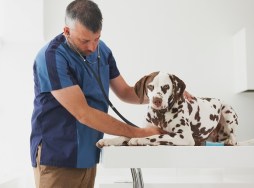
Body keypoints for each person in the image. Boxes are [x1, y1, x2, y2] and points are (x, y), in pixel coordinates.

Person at [30, 0, 192, 187]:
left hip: (88, 156)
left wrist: (165, 95)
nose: (92, 47)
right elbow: (84, 113)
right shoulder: (51, 57)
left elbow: (125, 91)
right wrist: (140, 133)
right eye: (84, 41)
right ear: (67, 31)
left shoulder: (102, 50)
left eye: (96, 38)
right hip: (58, 157)